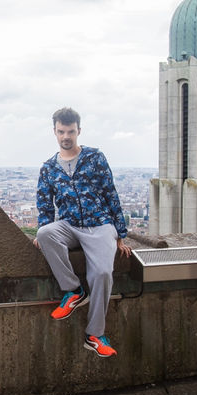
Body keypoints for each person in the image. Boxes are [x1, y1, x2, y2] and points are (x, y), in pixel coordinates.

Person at [34, 107, 131, 358]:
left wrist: (120, 234)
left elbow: (111, 193)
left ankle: (95, 335)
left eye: (71, 131)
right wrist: (42, 230)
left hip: (99, 224)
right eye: (61, 131)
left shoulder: (95, 158)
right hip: (69, 225)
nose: (66, 136)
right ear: (54, 132)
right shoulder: (48, 168)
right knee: (45, 234)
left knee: (101, 273)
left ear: (79, 131)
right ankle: (74, 291)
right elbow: (45, 205)